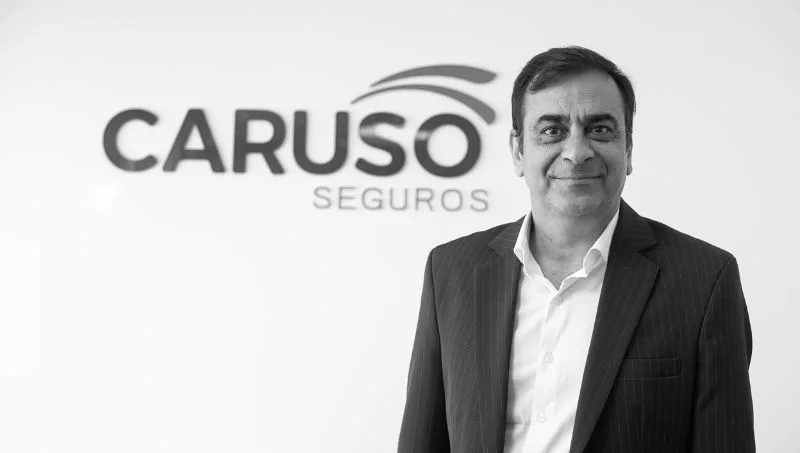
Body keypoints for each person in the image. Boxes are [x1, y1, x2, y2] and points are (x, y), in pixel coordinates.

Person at [397, 46, 755, 453]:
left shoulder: (704, 280)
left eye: (599, 129)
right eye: (552, 130)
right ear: (518, 151)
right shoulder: (451, 270)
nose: (577, 152)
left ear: (628, 149)